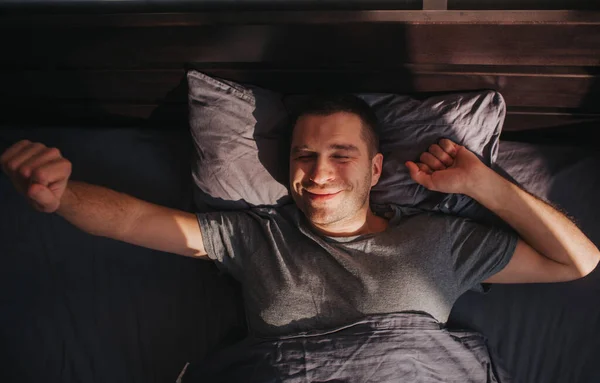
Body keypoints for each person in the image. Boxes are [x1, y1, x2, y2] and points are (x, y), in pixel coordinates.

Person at [1, 95, 599, 337]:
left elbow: (578, 261)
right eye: (304, 156)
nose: (319, 173)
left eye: (342, 156)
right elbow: (136, 221)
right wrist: (62, 196)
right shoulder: (256, 238)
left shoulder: (443, 240)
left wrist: (481, 183)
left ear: (375, 169)